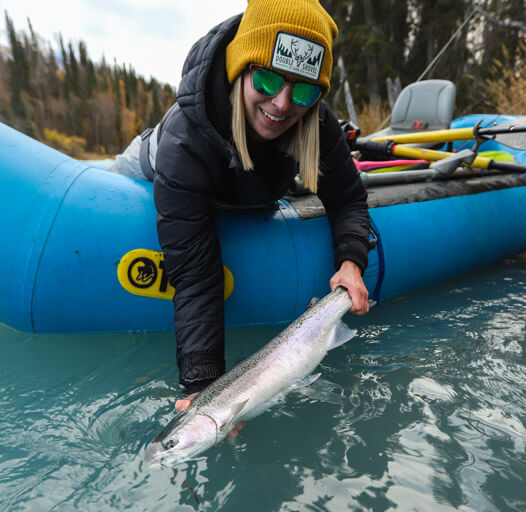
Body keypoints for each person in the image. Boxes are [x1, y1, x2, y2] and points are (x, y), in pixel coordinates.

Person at [111, 0, 370, 403]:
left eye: (302, 89)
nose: (282, 104)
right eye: (267, 81)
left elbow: (348, 198)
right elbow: (197, 276)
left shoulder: (316, 122)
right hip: (149, 167)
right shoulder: (186, 140)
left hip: (240, 192)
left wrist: (351, 263)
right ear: (240, 69)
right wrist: (202, 385)